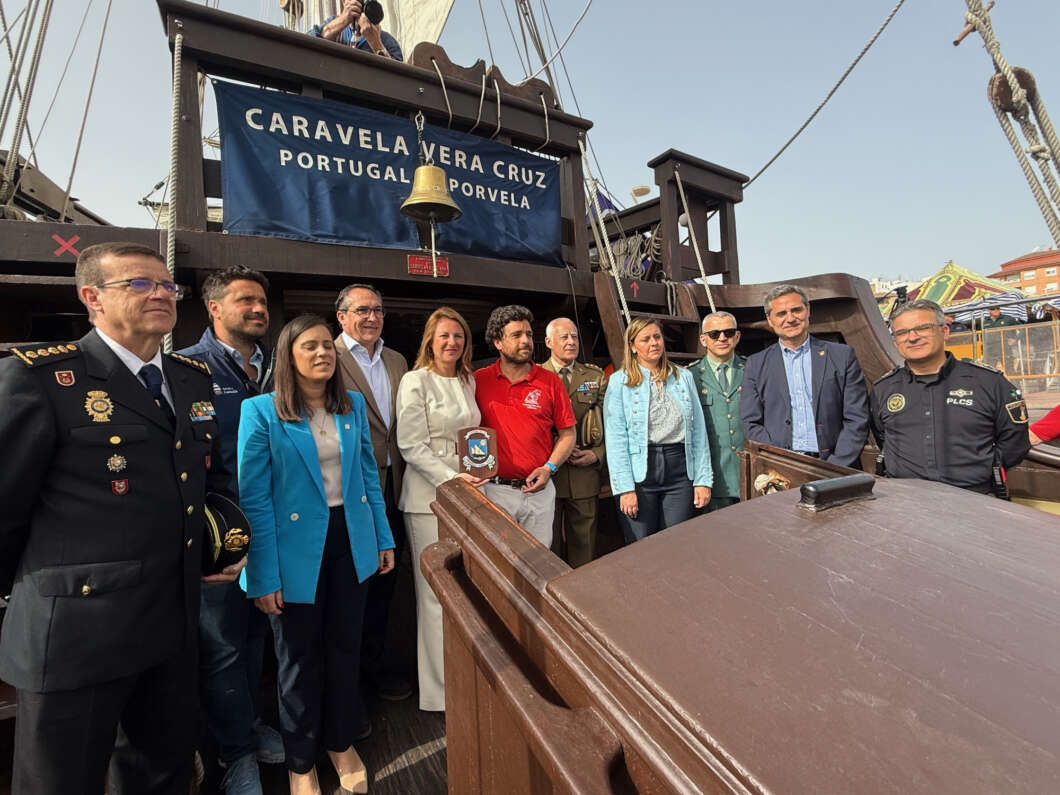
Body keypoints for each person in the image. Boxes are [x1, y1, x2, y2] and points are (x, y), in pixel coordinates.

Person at [0, 241, 242, 794]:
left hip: (171, 628)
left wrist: (225, 542)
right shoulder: (40, 380)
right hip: (76, 637)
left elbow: (211, 479)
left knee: (161, 775)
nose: (160, 293)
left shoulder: (190, 379)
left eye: (166, 285)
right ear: (92, 298)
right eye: (139, 283)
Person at [238, 314, 395, 795]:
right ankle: (300, 761)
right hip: (293, 551)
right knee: (298, 660)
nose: (324, 353)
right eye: (311, 346)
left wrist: (383, 538)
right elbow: (255, 499)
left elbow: (369, 478)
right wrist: (262, 575)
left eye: (328, 345)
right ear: (289, 355)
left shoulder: (348, 410)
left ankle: (340, 742)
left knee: (345, 650)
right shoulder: (261, 412)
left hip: (352, 540)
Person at [178, 266, 281, 793]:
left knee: (258, 633)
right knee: (220, 648)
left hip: (272, 528)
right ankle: (235, 753)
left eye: (262, 300)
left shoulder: (277, 369)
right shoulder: (186, 369)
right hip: (219, 538)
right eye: (245, 300)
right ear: (214, 308)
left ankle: (250, 726)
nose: (258, 308)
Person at [395, 307, 485, 712]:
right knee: (433, 595)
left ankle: (464, 677)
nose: (452, 343)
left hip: (466, 491)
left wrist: (474, 475)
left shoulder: (467, 380)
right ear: (430, 340)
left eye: (459, 336)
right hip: (428, 497)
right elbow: (411, 446)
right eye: (445, 336)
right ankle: (438, 692)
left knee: (464, 592)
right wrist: (453, 478)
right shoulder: (416, 380)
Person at [334, 284, 412, 710]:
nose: (371, 317)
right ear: (342, 316)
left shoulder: (397, 359)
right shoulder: (327, 357)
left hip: (394, 488)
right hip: (348, 494)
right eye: (362, 310)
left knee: (386, 586)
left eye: (378, 310)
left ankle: (376, 672)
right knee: (350, 592)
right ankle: (352, 691)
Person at [871, 299, 1031, 494]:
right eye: (902, 332)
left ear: (944, 331)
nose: (912, 337)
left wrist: (979, 467)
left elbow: (1015, 440)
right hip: (905, 502)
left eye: (922, 328)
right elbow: (883, 437)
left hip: (974, 499)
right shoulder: (883, 388)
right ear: (895, 341)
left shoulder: (988, 382)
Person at [474, 305, 576, 547]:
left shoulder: (550, 381)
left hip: (538, 493)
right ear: (498, 342)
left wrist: (549, 468)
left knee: (538, 564)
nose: (526, 341)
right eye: (516, 335)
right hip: (493, 491)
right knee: (497, 565)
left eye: (529, 335)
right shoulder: (478, 380)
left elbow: (568, 434)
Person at [603, 318, 712, 543]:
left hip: (680, 471)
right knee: (640, 545)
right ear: (632, 346)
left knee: (678, 542)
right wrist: (625, 488)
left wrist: (703, 480)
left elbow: (698, 430)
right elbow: (615, 439)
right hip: (640, 474)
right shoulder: (619, 382)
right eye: (645, 339)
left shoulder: (684, 377)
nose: (654, 343)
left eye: (657, 337)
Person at [741, 284, 869, 467]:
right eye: (781, 314)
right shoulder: (756, 363)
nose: (790, 318)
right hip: (781, 466)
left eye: (796, 310)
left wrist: (836, 465)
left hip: (837, 465)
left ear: (808, 310)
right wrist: (780, 459)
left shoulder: (842, 356)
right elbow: (750, 422)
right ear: (770, 320)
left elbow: (857, 416)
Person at [540, 317, 607, 567]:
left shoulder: (595, 376)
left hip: (583, 473)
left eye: (574, 336)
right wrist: (559, 448)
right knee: (548, 546)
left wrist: (597, 454)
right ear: (548, 342)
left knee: (585, 547)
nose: (571, 342)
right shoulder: (536, 376)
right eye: (564, 337)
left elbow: (611, 423)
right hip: (548, 474)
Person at [691, 312, 745, 512]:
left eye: (728, 332)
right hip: (712, 477)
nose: (722, 338)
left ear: (737, 337)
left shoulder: (752, 370)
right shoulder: (690, 376)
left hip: (748, 474)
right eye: (714, 334)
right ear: (703, 340)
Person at [309, 0, 403, 61]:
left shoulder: (387, 40)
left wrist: (376, 44)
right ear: (344, 2)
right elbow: (305, 44)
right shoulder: (333, 23)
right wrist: (342, 20)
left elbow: (399, 80)